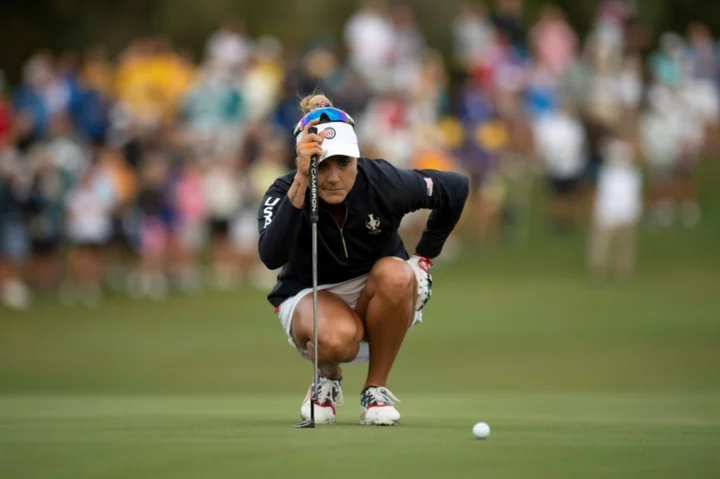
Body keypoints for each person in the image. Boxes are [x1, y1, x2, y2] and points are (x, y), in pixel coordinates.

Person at [257, 94, 469, 426]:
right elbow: (271, 256)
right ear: (303, 160)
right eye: (321, 165)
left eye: (343, 163)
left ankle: (376, 390)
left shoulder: (383, 182)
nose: (332, 177)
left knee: (398, 275)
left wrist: (424, 259)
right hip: (308, 294)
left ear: (357, 158)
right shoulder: (284, 190)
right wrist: (300, 181)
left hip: (378, 290)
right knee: (337, 338)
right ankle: (326, 377)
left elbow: (456, 187)